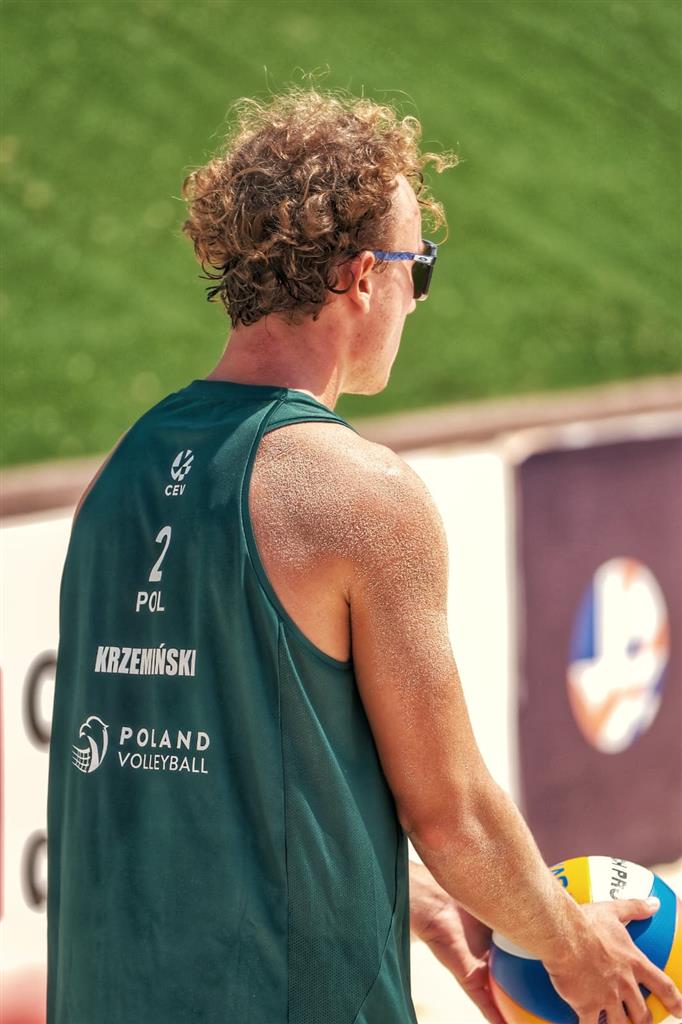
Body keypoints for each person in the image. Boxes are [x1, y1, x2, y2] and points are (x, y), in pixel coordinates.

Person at [46, 86, 682, 1024]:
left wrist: (419, 901)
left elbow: (202, 788)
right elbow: (453, 815)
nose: (417, 301)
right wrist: (571, 944)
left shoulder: (116, 476)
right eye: (418, 270)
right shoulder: (360, 494)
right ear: (359, 277)